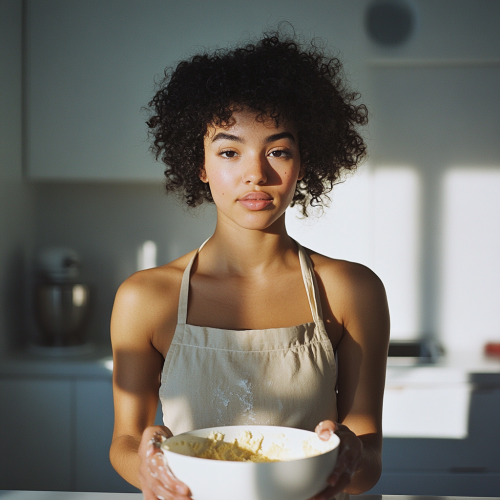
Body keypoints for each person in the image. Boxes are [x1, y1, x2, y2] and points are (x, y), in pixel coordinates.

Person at [109, 28, 390, 500]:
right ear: (200, 164)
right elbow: (124, 441)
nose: (256, 174)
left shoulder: (350, 289)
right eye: (229, 151)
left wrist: (347, 456)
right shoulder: (145, 298)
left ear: (304, 161)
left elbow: (370, 455)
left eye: (278, 151)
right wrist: (148, 466)